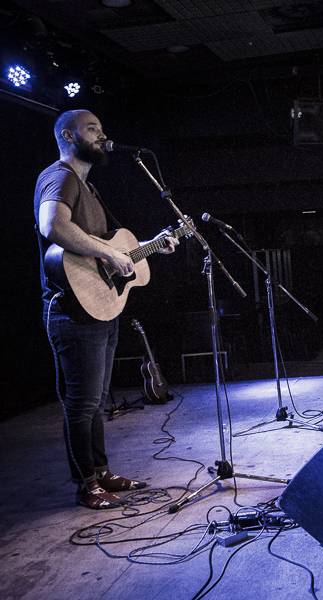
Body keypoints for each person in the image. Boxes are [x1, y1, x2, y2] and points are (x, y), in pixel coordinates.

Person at [35, 109, 179, 510]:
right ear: (68, 134)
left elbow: (112, 252)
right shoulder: (60, 176)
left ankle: (100, 472)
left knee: (97, 402)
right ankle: (87, 484)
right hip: (71, 311)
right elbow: (53, 227)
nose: (102, 134)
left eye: (101, 127)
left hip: (99, 306)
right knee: (81, 404)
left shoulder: (88, 188)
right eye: (92, 128)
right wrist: (107, 254)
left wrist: (150, 247)